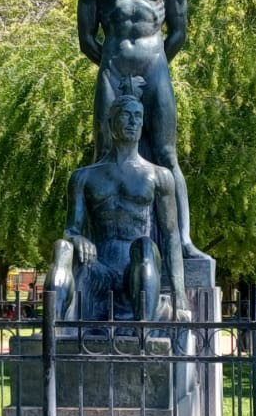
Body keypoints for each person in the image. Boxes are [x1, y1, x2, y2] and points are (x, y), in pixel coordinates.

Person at [77, 0, 204, 259]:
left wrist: (154, 65)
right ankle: (94, 241)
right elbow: (87, 39)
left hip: (155, 67)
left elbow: (178, 32)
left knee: (167, 154)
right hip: (113, 70)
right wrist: (115, 66)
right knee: (105, 153)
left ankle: (183, 240)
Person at [50, 81, 190, 324]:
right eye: (126, 115)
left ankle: (144, 335)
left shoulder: (159, 176)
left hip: (137, 269)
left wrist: (180, 294)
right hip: (98, 267)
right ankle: (53, 330)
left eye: (138, 116)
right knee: (62, 248)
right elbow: (71, 229)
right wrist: (76, 238)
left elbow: (171, 236)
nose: (133, 122)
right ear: (111, 122)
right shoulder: (84, 177)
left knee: (144, 246)